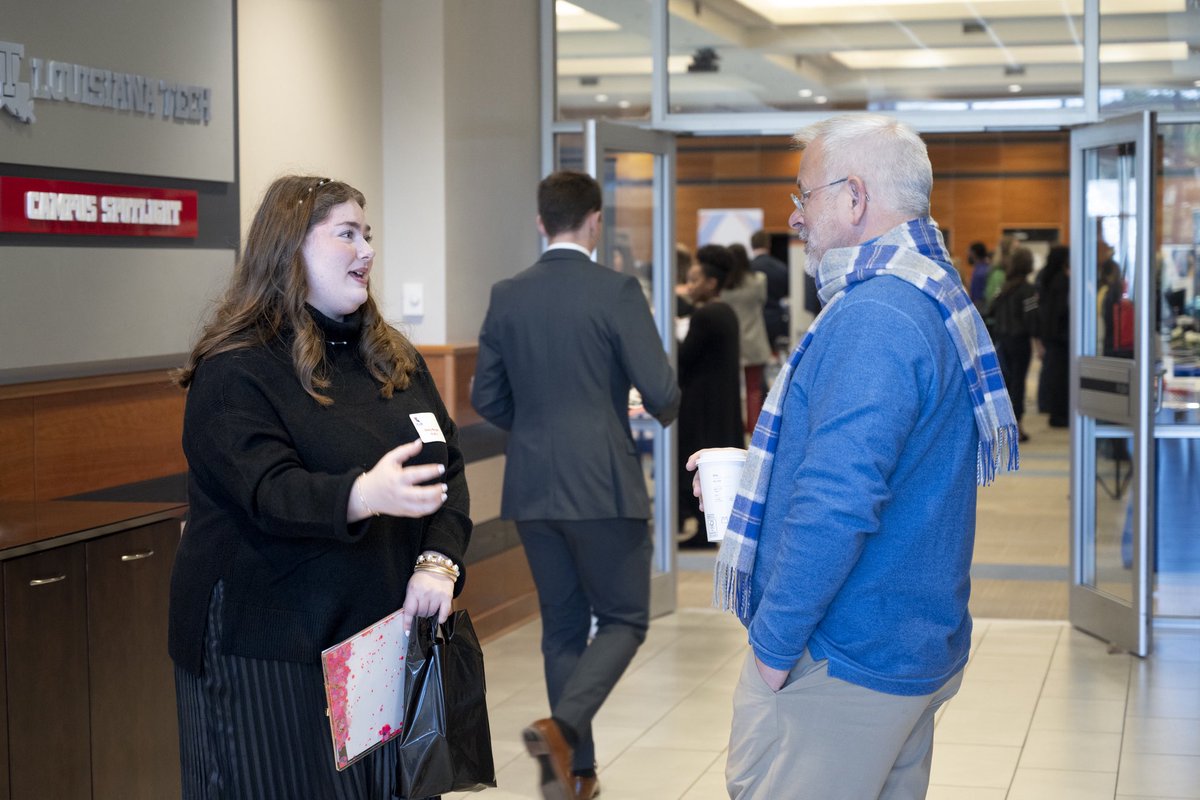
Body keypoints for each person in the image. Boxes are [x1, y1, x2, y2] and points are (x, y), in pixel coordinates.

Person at [688, 115, 1018, 799]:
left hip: (848, 659)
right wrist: (761, 473)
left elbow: (838, 501)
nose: (796, 216)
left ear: (855, 197)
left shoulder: (877, 315)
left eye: (804, 195)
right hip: (906, 641)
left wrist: (771, 653)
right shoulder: (929, 294)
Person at [169, 175, 472, 799]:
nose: (366, 249)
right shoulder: (237, 369)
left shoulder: (393, 358)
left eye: (368, 234)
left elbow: (448, 470)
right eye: (346, 234)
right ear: (289, 249)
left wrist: (439, 563)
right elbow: (269, 490)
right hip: (268, 653)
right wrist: (363, 494)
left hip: (378, 646)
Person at [470, 170, 680, 800]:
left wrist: (535, 428)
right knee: (623, 619)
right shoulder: (615, 290)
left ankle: (577, 774)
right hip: (604, 484)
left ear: (541, 222)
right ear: (595, 220)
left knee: (562, 628)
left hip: (532, 488)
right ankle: (561, 731)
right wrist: (644, 405)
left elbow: (487, 397)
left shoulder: (507, 294)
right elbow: (663, 391)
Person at [677, 244, 745, 548]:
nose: (690, 287)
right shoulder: (725, 312)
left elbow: (684, 357)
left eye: (695, 280)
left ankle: (702, 532)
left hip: (701, 404)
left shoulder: (706, 316)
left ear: (711, 283)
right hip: (720, 402)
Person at [988, 246, 1038, 442]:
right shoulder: (1028, 289)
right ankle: (1016, 426)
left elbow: (990, 310)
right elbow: (1031, 317)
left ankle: (1003, 425)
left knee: (1006, 382)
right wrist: (1038, 340)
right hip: (1020, 340)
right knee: (1018, 383)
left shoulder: (1004, 288)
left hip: (1002, 339)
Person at [724, 243, 773, 433]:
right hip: (754, 341)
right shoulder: (759, 280)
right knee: (754, 390)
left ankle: (735, 428)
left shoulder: (724, 286)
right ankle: (754, 430)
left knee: (732, 391)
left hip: (731, 343)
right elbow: (762, 302)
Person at [1037, 244, 1070, 427]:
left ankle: (1053, 410)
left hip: (1050, 334)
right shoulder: (1061, 281)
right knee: (1060, 376)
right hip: (1061, 336)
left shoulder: (1046, 277)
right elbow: (1062, 310)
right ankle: (1059, 414)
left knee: (1052, 373)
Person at [749, 229, 790, 353]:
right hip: (776, 321)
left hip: (753, 323)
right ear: (768, 244)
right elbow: (786, 293)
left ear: (751, 245)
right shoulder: (781, 268)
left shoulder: (746, 269)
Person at [966, 241, 991, 311]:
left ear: (973, 253)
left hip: (981, 309)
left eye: (969, 252)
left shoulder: (980, 273)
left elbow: (977, 298)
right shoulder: (983, 268)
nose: (967, 255)